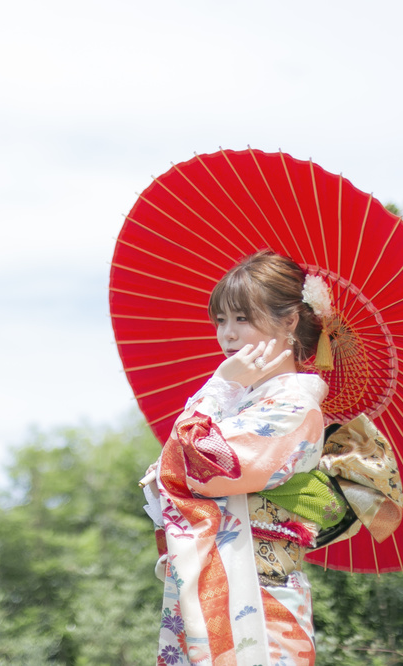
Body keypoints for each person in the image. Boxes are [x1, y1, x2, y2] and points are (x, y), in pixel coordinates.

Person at [140, 250, 338, 666]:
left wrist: (217, 387)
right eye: (221, 320)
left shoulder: (294, 406)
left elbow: (206, 467)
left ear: (290, 321)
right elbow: (185, 461)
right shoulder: (239, 406)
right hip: (226, 587)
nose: (227, 334)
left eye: (242, 319)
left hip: (263, 601)